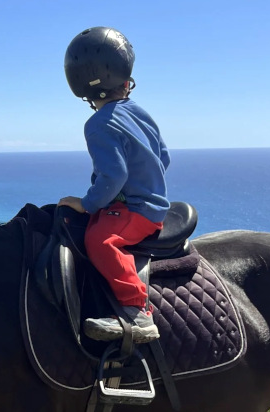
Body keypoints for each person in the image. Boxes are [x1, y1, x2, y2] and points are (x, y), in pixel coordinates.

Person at [58, 27, 170, 344]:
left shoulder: (99, 123)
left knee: (99, 239)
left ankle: (137, 313)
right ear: (125, 77)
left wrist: (87, 203)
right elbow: (164, 156)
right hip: (152, 203)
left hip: (137, 211)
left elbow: (114, 175)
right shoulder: (140, 112)